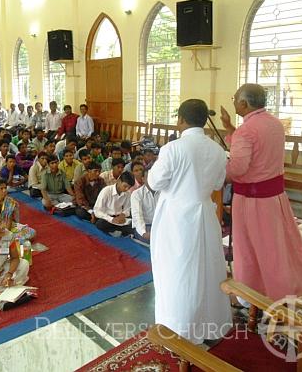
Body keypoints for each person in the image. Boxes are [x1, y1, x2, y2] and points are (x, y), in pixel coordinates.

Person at [220, 84, 302, 300]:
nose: (233, 101)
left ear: (244, 103)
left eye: (235, 98)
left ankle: (251, 295)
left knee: (250, 250)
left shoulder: (246, 130)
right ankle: (286, 288)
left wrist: (217, 171)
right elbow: (254, 148)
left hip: (252, 202)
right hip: (274, 198)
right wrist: (229, 128)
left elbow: (237, 169)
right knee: (277, 247)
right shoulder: (274, 123)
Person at [148, 98, 231, 344]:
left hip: (176, 218)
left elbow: (154, 182)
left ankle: (179, 328)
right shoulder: (217, 149)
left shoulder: (173, 149)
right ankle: (208, 323)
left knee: (177, 273)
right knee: (205, 269)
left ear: (181, 119)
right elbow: (217, 184)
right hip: (204, 214)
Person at [93, 171, 134, 237]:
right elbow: (97, 211)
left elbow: (127, 208)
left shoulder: (128, 193)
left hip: (119, 218)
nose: (127, 189)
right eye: (125, 186)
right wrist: (112, 219)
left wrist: (123, 215)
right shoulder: (106, 191)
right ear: (119, 181)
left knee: (133, 224)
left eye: (129, 187)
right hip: (107, 218)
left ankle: (116, 231)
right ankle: (119, 231)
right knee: (100, 224)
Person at [130, 179, 158, 246]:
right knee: (156, 241)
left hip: (159, 225)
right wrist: (144, 233)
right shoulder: (137, 194)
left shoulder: (163, 192)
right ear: (143, 179)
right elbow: (137, 216)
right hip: (145, 226)